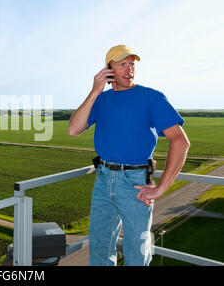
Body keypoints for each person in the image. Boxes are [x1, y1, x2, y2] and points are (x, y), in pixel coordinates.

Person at [68, 45, 190, 266]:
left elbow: (181, 142)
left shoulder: (151, 97)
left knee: (137, 250)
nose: (129, 69)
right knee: (100, 246)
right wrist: (95, 91)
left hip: (135, 184)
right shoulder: (101, 100)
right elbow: (73, 130)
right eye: (122, 64)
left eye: (132, 64)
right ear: (108, 70)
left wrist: (161, 187)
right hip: (103, 179)